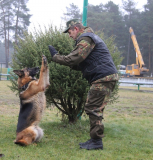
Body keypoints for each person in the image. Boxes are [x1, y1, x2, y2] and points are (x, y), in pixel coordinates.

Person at [48, 19, 118, 150]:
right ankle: (95, 140)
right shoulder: (90, 38)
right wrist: (64, 60)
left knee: (92, 108)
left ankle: (96, 142)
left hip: (102, 77)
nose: (69, 35)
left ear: (76, 29)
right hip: (105, 76)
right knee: (93, 107)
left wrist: (56, 57)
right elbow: (78, 64)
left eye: (69, 32)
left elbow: (75, 58)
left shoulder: (86, 38)